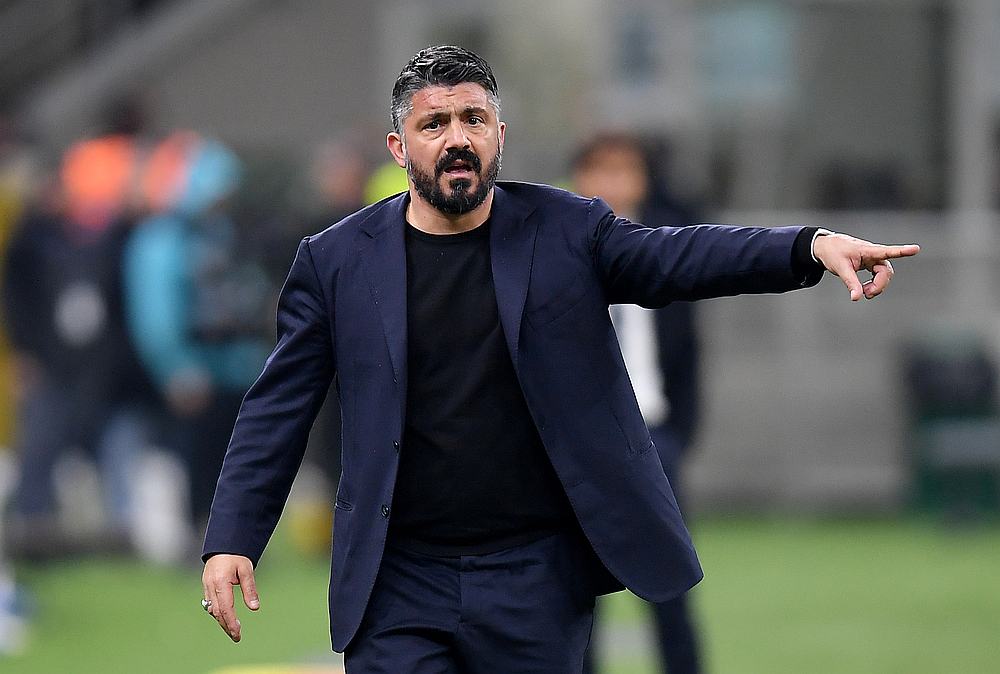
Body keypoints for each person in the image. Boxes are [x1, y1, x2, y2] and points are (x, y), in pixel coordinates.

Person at [200, 45, 919, 672]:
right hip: (397, 577)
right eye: (434, 124)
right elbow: (277, 407)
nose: (457, 140)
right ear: (399, 147)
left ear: (499, 136)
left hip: (534, 576)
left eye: (472, 121)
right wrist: (233, 534)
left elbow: (678, 258)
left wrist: (807, 246)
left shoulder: (568, 230)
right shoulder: (334, 263)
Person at [571, 133, 703, 673]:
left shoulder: (662, 256)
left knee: (671, 591)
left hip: (653, 438)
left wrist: (680, 437)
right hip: (580, 444)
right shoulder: (558, 259)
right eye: (600, 170)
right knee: (578, 597)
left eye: (625, 170)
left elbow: (690, 357)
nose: (613, 183)